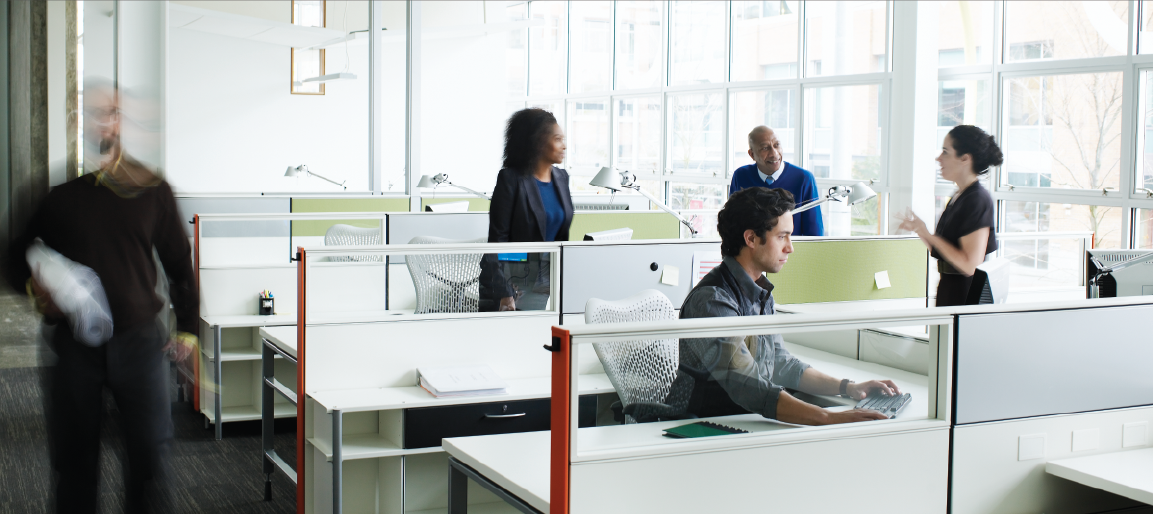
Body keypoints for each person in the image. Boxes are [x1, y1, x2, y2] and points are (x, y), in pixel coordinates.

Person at [4, 80, 197, 513]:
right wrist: (37, 289)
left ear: (119, 119)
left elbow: (180, 263)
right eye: (92, 113)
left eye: (109, 112)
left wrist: (188, 330)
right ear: (79, 122)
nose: (102, 121)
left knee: (149, 461)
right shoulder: (59, 197)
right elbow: (14, 256)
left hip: (139, 343)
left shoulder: (152, 190)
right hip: (74, 349)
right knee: (74, 466)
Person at [677, 187, 899, 425]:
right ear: (751, 238)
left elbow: (780, 364)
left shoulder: (759, 291)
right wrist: (828, 416)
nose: (790, 247)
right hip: (702, 427)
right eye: (782, 236)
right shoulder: (713, 301)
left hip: (742, 420)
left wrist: (848, 387)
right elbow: (748, 385)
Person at [480, 108, 574, 311]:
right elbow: (496, 242)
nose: (564, 146)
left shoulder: (562, 178)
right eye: (557, 139)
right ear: (538, 142)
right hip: (513, 284)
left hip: (548, 280)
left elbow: (561, 236)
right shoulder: (511, 179)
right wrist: (504, 293)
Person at [896, 125, 1001, 306]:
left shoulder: (976, 199)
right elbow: (945, 253)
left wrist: (929, 235)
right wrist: (921, 231)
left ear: (965, 158)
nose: (938, 158)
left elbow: (968, 265)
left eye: (945, 151)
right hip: (950, 289)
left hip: (965, 297)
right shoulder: (960, 196)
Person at [729, 126, 824, 236]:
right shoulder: (740, 176)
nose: (774, 154)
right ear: (752, 154)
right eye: (765, 148)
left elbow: (815, 234)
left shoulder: (804, 179)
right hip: (752, 251)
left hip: (790, 251)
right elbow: (732, 224)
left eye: (777, 145)